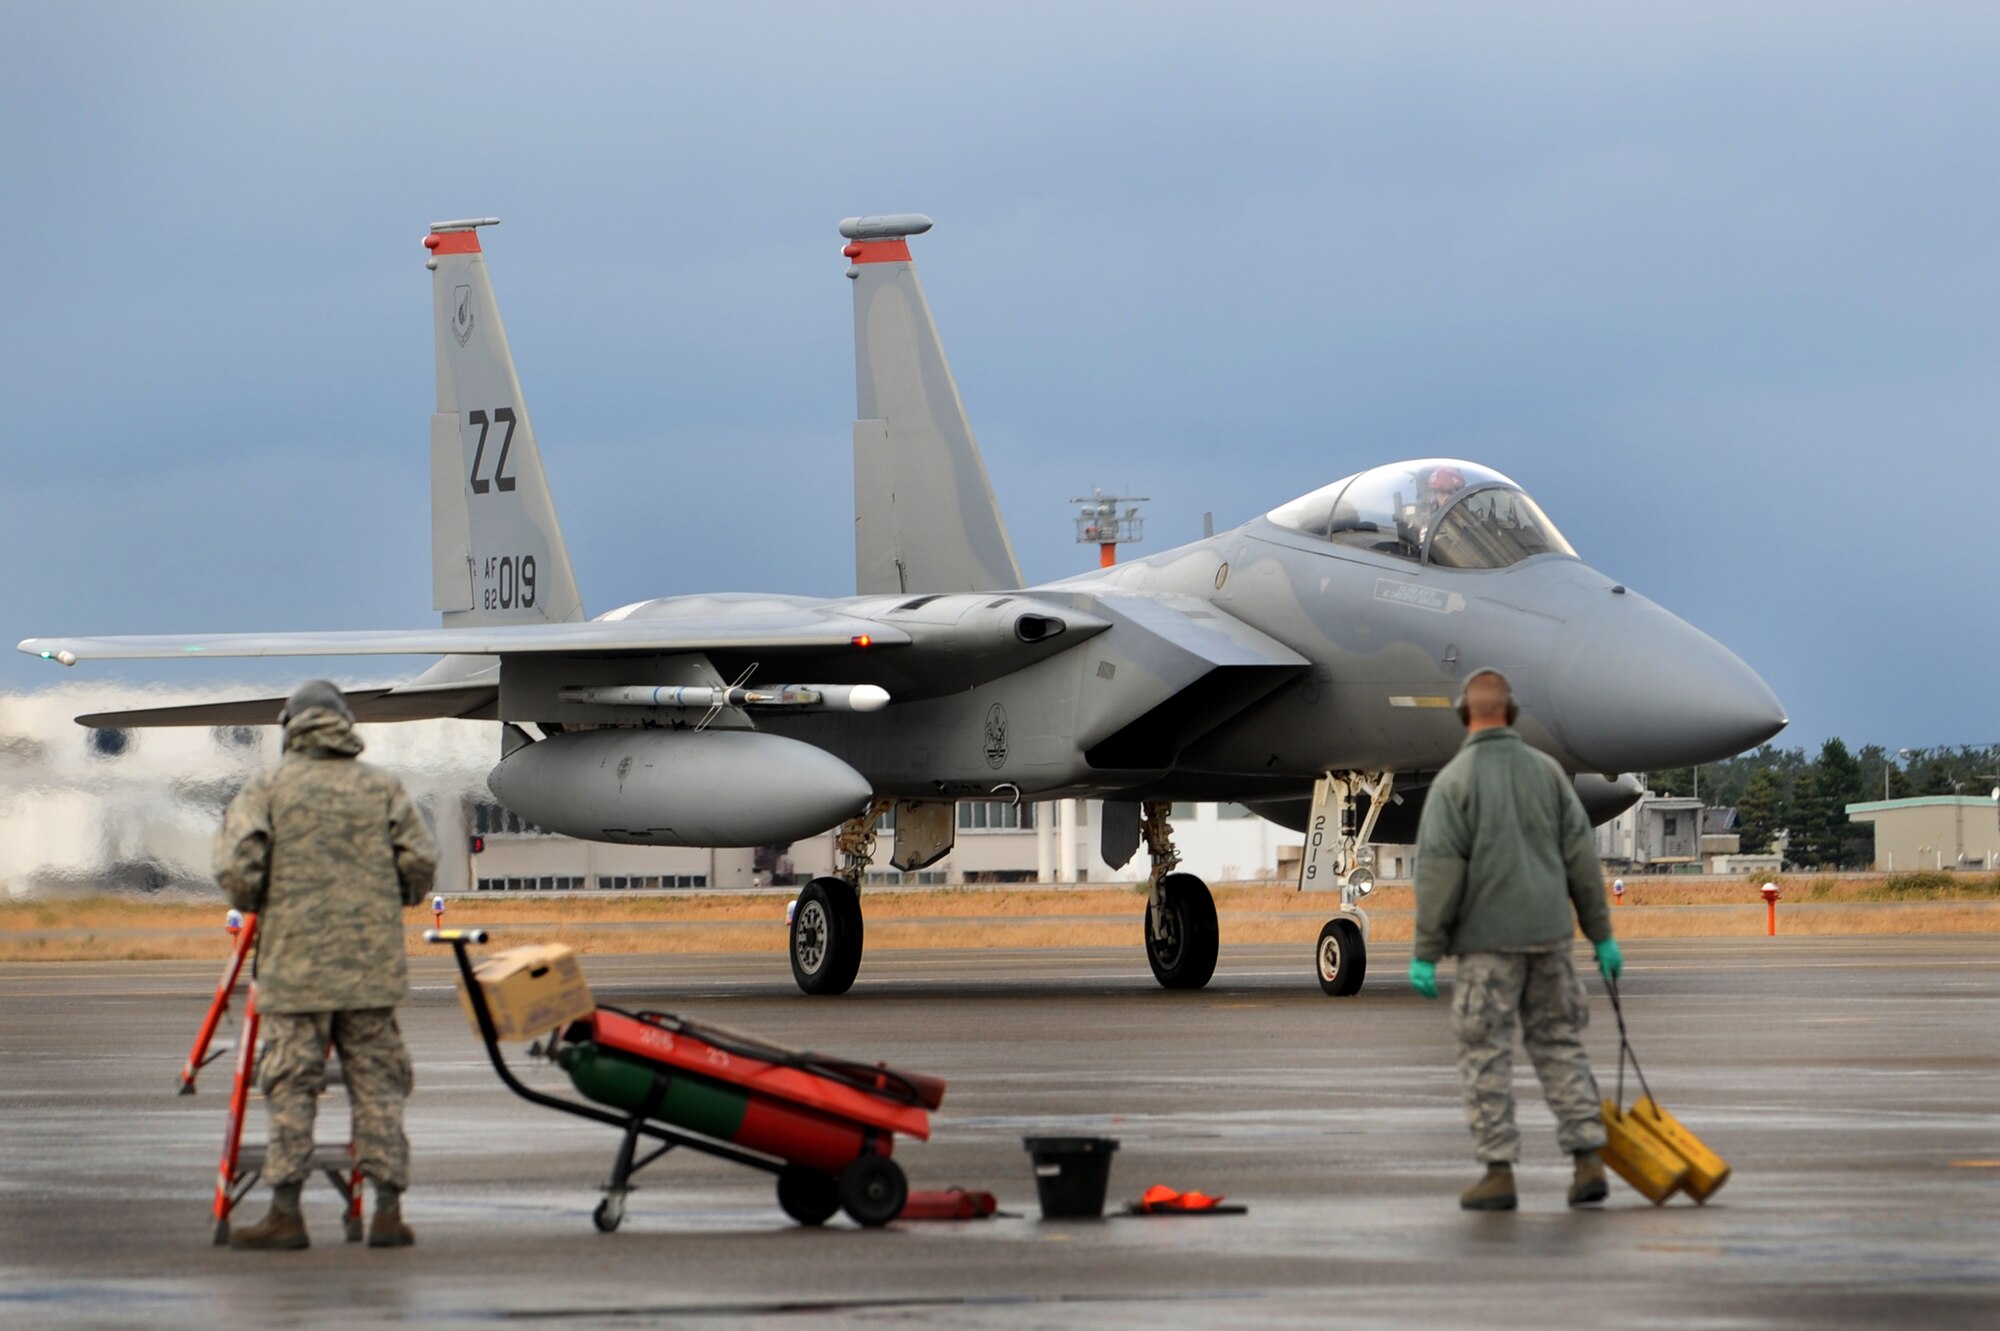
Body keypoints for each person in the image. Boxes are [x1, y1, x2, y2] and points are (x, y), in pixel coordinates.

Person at [214, 680, 438, 1249]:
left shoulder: (267, 787)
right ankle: (387, 1211)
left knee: (291, 1082)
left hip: (295, 967)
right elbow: (420, 860)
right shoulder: (381, 787)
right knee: (379, 1084)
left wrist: (259, 899)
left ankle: (286, 1212)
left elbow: (239, 868)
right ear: (344, 724)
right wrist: (396, 895)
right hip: (371, 968)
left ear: (290, 726)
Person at [1408, 668, 1623, 1211]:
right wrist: (1601, 937)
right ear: (1513, 713)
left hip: (1488, 948)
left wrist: (1426, 953)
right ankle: (1587, 1162)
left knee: (1485, 1055)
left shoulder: (1454, 782)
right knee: (1560, 1046)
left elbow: (1439, 874)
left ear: (1465, 715)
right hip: (1550, 941)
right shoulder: (1548, 774)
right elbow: (1581, 860)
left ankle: (1498, 1172)